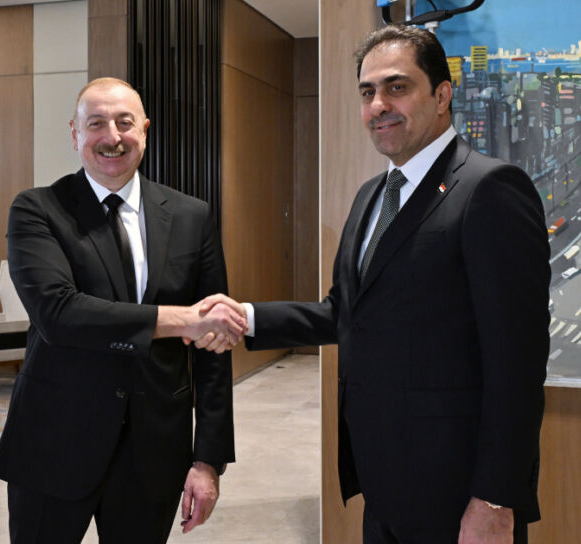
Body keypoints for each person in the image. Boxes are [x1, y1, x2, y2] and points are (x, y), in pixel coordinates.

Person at [201, 25, 550, 543]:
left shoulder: (490, 188)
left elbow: (517, 363)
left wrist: (496, 499)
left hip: (457, 492)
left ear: (442, 95)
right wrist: (244, 318)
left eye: (397, 87)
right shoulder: (372, 194)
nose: (378, 105)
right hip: (383, 481)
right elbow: (345, 310)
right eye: (367, 93)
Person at [0, 77, 243, 543]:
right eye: (96, 124)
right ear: (74, 134)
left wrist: (208, 459)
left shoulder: (192, 217)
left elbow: (213, 349)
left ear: (144, 130)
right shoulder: (37, 210)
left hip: (154, 452)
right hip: (53, 443)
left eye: (125, 123)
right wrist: (183, 320)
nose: (112, 137)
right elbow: (58, 314)